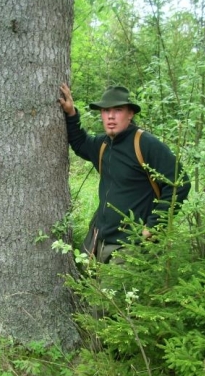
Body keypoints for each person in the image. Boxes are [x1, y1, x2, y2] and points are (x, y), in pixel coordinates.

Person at [58, 83, 191, 263]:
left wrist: (154, 226)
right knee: (81, 287)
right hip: (98, 240)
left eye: (118, 110)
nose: (110, 116)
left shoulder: (145, 144)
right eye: (105, 111)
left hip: (130, 246)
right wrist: (71, 114)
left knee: (113, 290)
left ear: (130, 114)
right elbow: (81, 144)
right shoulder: (103, 145)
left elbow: (179, 183)